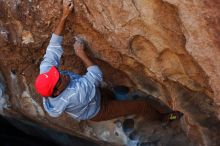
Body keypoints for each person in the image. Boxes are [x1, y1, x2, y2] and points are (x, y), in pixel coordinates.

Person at [35, 0, 183, 122]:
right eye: (59, 79)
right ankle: (163, 118)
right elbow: (95, 74)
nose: (61, 74)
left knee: (108, 93)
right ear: (57, 91)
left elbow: (54, 45)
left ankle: (117, 97)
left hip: (92, 97)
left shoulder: (46, 74)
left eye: (56, 73)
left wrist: (64, 16)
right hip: (99, 110)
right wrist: (81, 54)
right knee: (142, 106)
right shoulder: (74, 95)